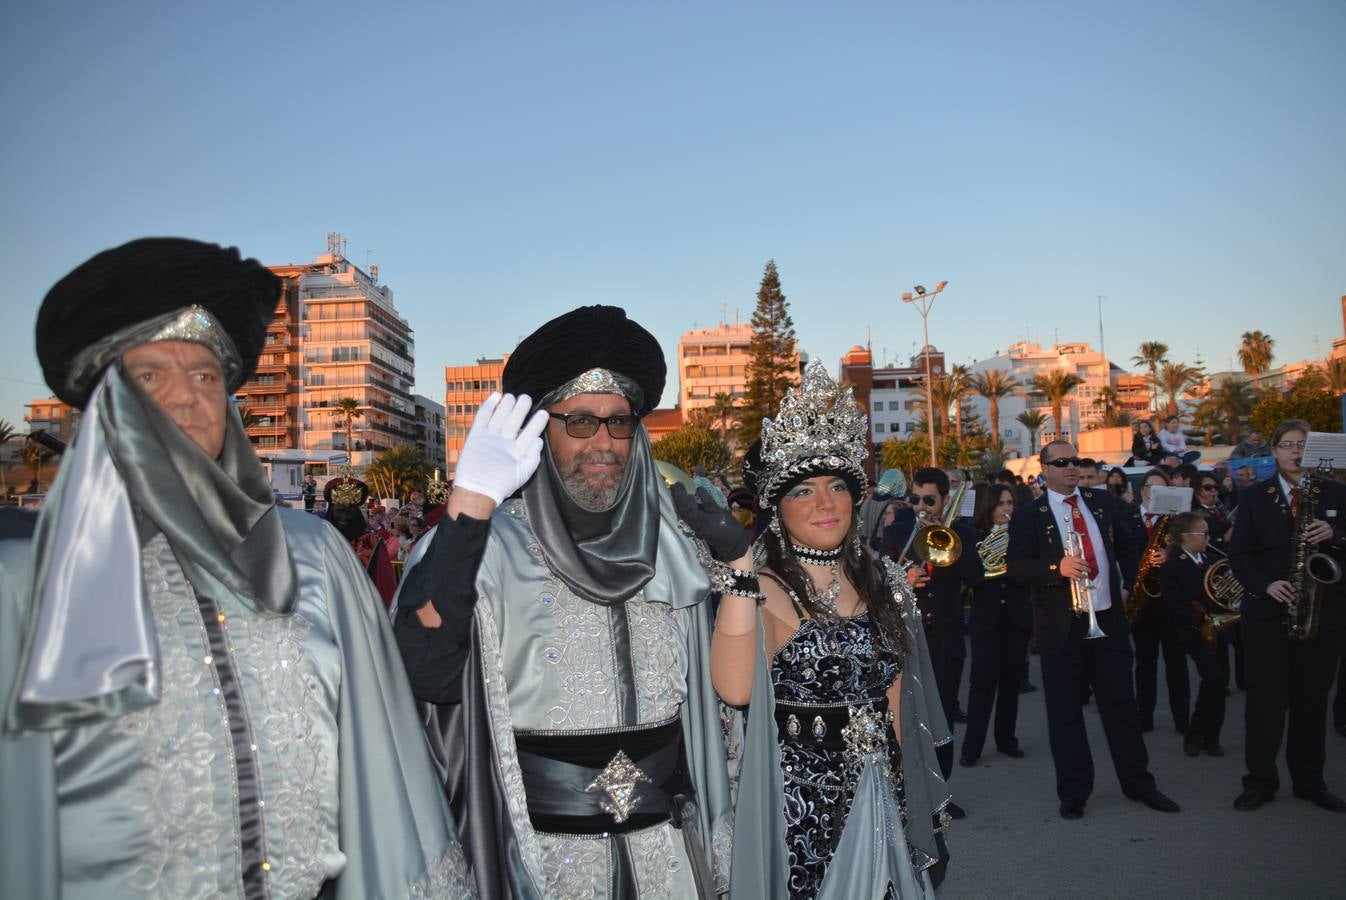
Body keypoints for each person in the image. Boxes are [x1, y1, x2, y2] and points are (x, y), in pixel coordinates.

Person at [0, 238, 469, 898]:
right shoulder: (26, 582)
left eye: (205, 376)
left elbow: (384, 791)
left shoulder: (310, 556)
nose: (187, 399)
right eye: (149, 377)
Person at [392, 305, 732, 897]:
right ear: (542, 432)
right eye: (579, 422)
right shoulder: (487, 546)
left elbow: (728, 704)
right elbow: (421, 672)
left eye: (618, 422)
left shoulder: (675, 548)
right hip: (542, 866)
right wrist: (468, 508)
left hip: (668, 859)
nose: (603, 442)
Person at [714, 361, 950, 899]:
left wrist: (902, 792)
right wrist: (740, 577)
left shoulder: (885, 581)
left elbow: (894, 699)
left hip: (879, 789)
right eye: (804, 491)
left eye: (837, 486)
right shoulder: (758, 588)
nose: (825, 503)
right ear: (775, 507)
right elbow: (735, 690)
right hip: (795, 800)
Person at [1006, 441, 1180, 820]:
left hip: (1108, 623)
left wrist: (1134, 576)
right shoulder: (1028, 516)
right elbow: (1016, 567)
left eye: (1078, 461)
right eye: (1063, 462)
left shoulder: (1102, 503)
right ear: (1045, 469)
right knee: (1065, 716)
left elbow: (1132, 541)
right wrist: (1057, 568)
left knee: (1123, 710)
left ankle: (1140, 784)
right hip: (1061, 629)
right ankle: (1074, 793)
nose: (1072, 468)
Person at [1228, 418, 1346, 812]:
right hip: (1267, 614)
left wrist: (1336, 535)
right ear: (1274, 451)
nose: (1296, 452)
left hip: (1322, 613)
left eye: (1303, 445)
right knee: (1265, 703)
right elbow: (1239, 554)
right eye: (1288, 444)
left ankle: (1309, 782)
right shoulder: (1253, 497)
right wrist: (1265, 586)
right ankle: (1260, 781)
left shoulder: (1337, 493)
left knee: (1312, 702)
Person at [882, 467, 982, 815]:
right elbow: (878, 580)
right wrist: (904, 579)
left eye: (929, 500)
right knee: (904, 716)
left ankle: (940, 795)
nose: (921, 507)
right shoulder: (897, 532)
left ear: (944, 500)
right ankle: (906, 791)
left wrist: (950, 544)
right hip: (905, 636)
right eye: (914, 499)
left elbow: (976, 577)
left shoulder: (962, 533)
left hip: (946, 637)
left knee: (943, 717)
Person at [961, 483, 1032, 766]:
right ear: (987, 507)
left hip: (1016, 616)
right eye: (1001, 504)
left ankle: (1007, 739)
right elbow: (972, 577)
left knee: (1010, 681)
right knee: (982, 682)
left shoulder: (1020, 535)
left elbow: (1026, 572)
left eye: (1010, 503)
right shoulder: (972, 536)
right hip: (986, 619)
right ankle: (972, 747)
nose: (1007, 509)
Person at [1158, 511, 1230, 758]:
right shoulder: (1172, 566)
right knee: (1213, 678)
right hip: (1194, 631)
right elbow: (1173, 603)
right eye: (1204, 534)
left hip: (1220, 630)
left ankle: (1212, 737)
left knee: (1220, 682)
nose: (1209, 538)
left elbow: (1225, 594)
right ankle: (1195, 732)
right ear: (1187, 537)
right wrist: (1201, 620)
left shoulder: (1211, 559)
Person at [1128, 468, 1191, 734]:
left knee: (1177, 662)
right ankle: (1144, 716)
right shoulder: (1128, 517)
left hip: (1171, 599)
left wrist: (1171, 552)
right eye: (1151, 488)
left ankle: (1182, 717)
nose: (1156, 493)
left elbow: (1192, 553)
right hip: (1143, 598)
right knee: (1145, 662)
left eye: (1162, 488)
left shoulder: (1177, 522)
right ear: (1142, 491)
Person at [324, 474, 398, 607]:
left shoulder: (372, 543)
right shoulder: (319, 540)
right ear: (331, 511)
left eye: (349, 511)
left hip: (362, 609)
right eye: (340, 511)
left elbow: (385, 587)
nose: (344, 517)